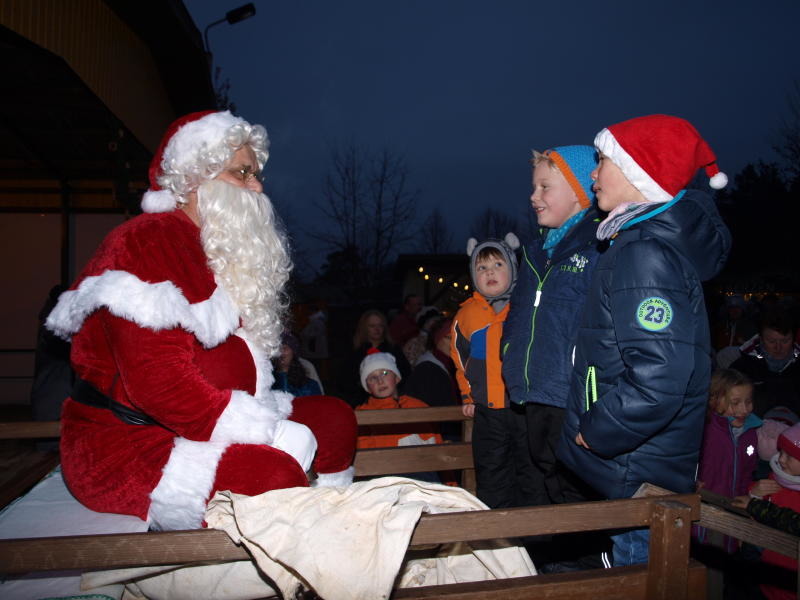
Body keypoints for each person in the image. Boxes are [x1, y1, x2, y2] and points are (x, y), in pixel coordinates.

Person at [45, 111, 357, 530]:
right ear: (196, 177)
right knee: (273, 473)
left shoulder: (218, 248)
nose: (257, 185)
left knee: (334, 418)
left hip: (221, 417)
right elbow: (159, 385)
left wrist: (263, 419)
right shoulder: (148, 242)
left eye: (256, 173)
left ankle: (335, 525)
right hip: (130, 443)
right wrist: (266, 433)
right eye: (242, 172)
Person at [557, 114, 732, 566]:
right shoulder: (639, 245)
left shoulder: (645, 255)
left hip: (636, 467)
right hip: (638, 463)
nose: (593, 174)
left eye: (603, 162)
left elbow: (660, 378)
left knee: (640, 574)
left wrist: (596, 431)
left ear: (639, 174)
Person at [500, 144, 608, 569]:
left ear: (582, 192)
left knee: (579, 490)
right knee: (548, 483)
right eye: (533, 187)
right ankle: (561, 570)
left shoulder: (600, 245)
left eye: (545, 186)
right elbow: (519, 315)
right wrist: (511, 355)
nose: (534, 196)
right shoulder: (535, 250)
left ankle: (596, 572)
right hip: (535, 391)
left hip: (575, 395)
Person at [452, 233, 538, 508]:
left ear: (513, 268)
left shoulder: (524, 308)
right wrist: (467, 396)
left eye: (498, 265)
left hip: (523, 407)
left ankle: (534, 537)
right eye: (482, 268)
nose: (490, 273)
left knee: (530, 469)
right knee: (492, 472)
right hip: (487, 411)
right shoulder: (466, 315)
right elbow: (459, 359)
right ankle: (498, 538)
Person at [695, 369, 761, 556]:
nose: (744, 409)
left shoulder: (749, 433)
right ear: (714, 399)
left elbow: (747, 473)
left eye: (748, 402)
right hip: (703, 511)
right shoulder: (704, 428)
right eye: (735, 403)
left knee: (722, 570)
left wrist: (748, 504)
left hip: (732, 513)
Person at [740, 423, 800, 599]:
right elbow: (750, 511)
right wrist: (755, 494)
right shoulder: (774, 481)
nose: (781, 459)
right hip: (768, 578)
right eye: (781, 452)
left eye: (790, 456)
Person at [731, 309, 800, 417]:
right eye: (771, 341)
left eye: (785, 341)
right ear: (761, 339)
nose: (778, 347)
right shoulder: (741, 369)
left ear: (794, 339)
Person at [339, 309, 411, 407]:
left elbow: (406, 375)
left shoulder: (394, 350)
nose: (377, 329)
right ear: (364, 328)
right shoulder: (355, 353)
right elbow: (346, 382)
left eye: (380, 325)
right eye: (372, 326)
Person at [404, 317, 461, 441]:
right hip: (437, 436)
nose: (454, 343)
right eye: (449, 338)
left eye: (457, 338)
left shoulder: (457, 366)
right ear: (437, 339)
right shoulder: (427, 369)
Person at [272, 332, 322, 397]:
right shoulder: (267, 381)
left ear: (294, 352)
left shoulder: (309, 385)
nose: (280, 352)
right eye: (277, 349)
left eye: (285, 348)